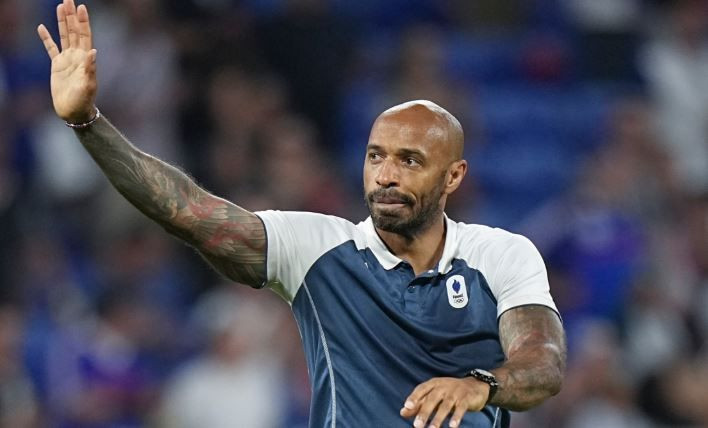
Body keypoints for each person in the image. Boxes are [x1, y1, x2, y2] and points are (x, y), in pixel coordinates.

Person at [37, 1, 566, 427]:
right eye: (375, 157)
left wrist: (481, 385)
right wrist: (88, 123)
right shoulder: (318, 249)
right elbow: (190, 212)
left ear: (453, 176)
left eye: (410, 161)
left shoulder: (500, 254)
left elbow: (542, 362)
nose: (385, 175)